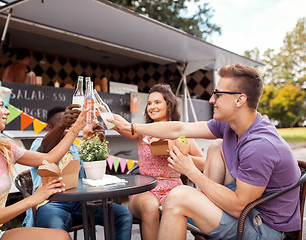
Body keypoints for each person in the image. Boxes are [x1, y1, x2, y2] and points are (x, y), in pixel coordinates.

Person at [109, 64, 301, 240]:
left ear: (240, 99)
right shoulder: (229, 126)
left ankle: (196, 205)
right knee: (216, 147)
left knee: (178, 196)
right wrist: (132, 127)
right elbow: (179, 129)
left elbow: (237, 206)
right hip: (248, 209)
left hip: (265, 228)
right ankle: (199, 204)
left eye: (218, 95)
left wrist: (190, 170)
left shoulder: (260, 145)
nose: (211, 100)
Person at [0, 84, 88, 240]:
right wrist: (34, 199)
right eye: (1, 105)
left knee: (61, 237)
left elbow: (47, 159)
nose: (7, 111)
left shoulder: (2, 147)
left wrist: (77, 127)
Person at [23, 105, 133, 240]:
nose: (67, 126)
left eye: (70, 124)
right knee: (55, 232)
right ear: (49, 128)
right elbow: (44, 151)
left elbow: (92, 177)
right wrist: (62, 124)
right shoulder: (39, 143)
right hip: (50, 203)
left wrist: (97, 144)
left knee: (123, 214)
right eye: (62, 122)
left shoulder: (78, 147)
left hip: (79, 202)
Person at [112, 84, 205, 240]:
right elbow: (120, 126)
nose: (152, 107)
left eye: (157, 102)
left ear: (168, 105)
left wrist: (180, 156)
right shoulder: (142, 131)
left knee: (178, 205)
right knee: (150, 206)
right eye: (149, 103)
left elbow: (203, 162)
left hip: (173, 188)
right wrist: (102, 111)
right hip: (145, 189)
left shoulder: (181, 134)